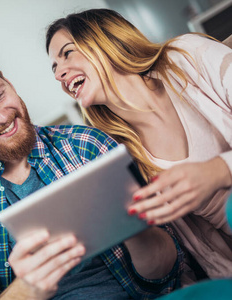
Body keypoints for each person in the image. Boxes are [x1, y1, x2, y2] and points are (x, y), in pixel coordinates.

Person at [0, 42, 183, 299]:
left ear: (9, 83)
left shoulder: (86, 145)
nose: (0, 116)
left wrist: (135, 231)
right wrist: (27, 290)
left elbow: (169, 272)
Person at [46, 8, 232, 280]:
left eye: (67, 53)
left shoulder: (187, 56)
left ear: (104, 39)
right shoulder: (117, 154)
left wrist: (217, 171)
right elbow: (181, 260)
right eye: (54, 67)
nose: (59, 74)